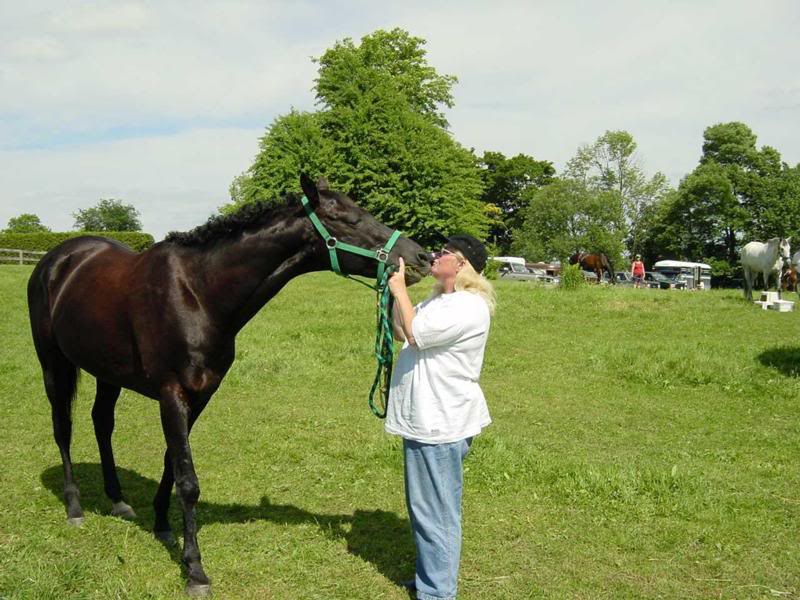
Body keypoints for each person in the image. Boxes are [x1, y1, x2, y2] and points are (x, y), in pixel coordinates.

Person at [386, 234, 495, 600]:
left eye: (445, 252)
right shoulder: (440, 300)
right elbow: (403, 330)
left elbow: (417, 335)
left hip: (441, 421)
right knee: (424, 508)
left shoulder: (468, 305)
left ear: (461, 264)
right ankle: (430, 579)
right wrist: (391, 296)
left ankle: (437, 593)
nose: (436, 255)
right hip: (426, 417)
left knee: (437, 512)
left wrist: (401, 290)